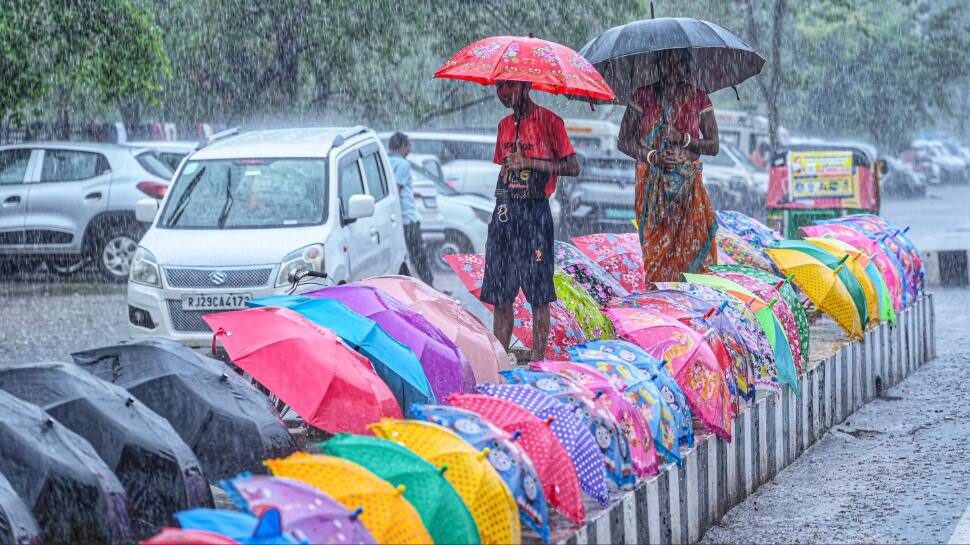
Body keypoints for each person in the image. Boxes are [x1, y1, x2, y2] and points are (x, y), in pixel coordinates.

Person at [480, 80, 581, 360]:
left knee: (539, 297)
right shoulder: (503, 126)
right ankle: (500, 361)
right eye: (499, 87)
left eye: (509, 86)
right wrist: (498, 211)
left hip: (535, 216)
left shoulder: (549, 121)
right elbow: (503, 171)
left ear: (526, 86)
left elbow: (573, 166)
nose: (503, 93)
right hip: (504, 215)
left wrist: (531, 163)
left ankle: (538, 361)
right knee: (500, 297)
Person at [617, 48, 721, 283]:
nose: (673, 70)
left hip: (688, 192)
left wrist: (683, 138)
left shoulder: (699, 98)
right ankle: (659, 303)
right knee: (656, 255)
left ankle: (689, 308)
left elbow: (713, 146)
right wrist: (653, 156)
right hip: (652, 189)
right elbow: (624, 141)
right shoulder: (643, 96)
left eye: (679, 64)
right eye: (668, 64)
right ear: (659, 66)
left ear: (687, 67)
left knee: (691, 253)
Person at [388, 132, 435, 287]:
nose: (410, 149)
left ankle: (410, 287)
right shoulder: (403, 164)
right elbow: (396, 189)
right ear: (402, 147)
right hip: (407, 219)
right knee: (418, 255)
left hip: (394, 219)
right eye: (408, 145)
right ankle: (430, 287)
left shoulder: (387, 162)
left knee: (403, 256)